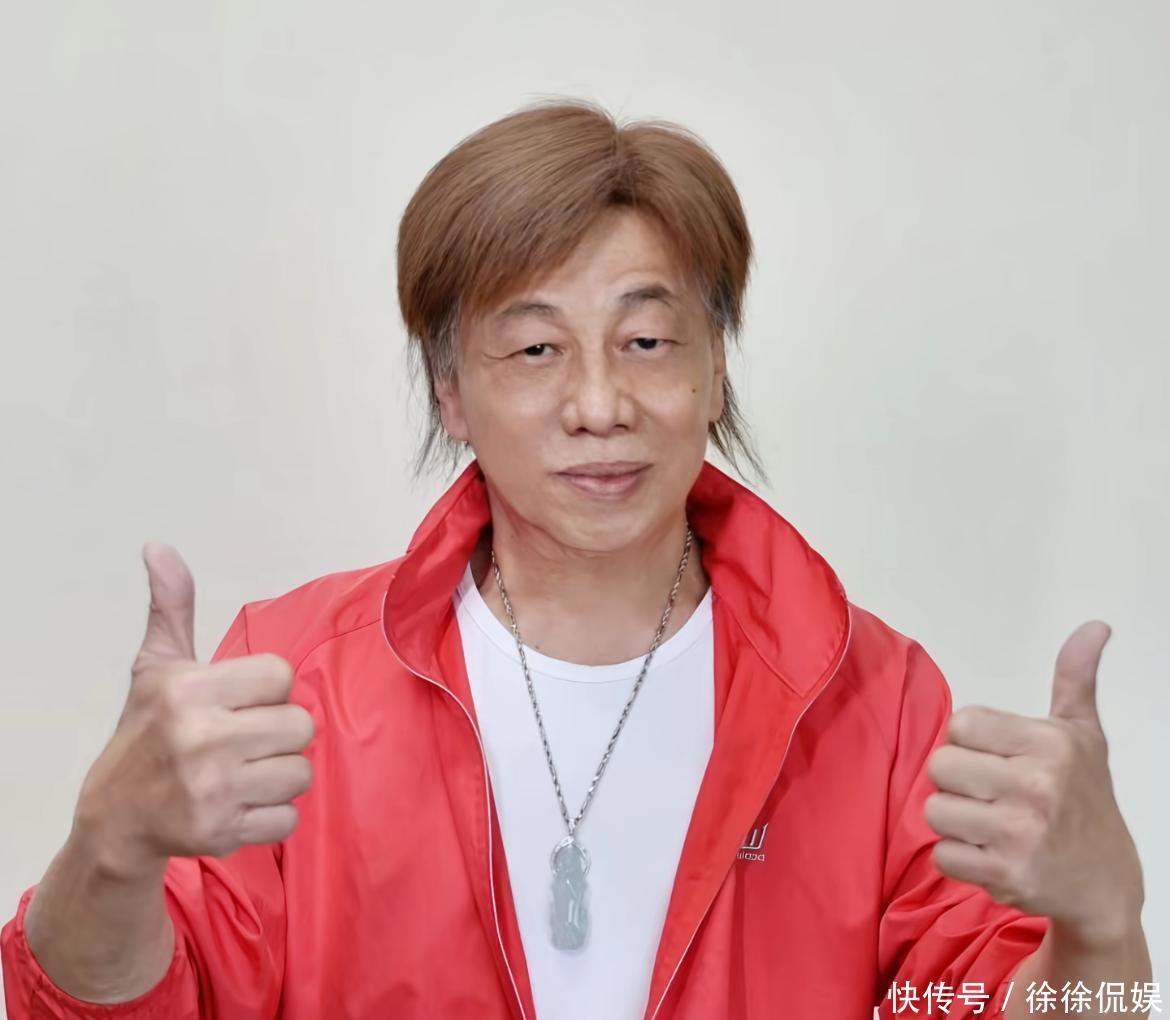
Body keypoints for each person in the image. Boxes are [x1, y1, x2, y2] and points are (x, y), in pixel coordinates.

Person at [0, 98, 1150, 1020]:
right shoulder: (295, 681)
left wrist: (1103, 927)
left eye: (647, 340)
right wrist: (109, 848)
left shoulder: (872, 700)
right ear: (449, 391)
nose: (600, 403)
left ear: (713, 371)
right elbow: (111, 1006)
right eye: (536, 349)